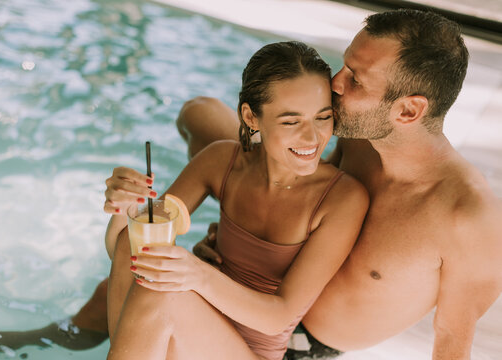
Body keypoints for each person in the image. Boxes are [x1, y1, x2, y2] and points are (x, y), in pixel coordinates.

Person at [173, 9, 502, 360]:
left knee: (153, 298)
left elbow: (452, 340)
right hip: (267, 282)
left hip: (296, 341)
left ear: (408, 111)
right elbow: (306, 198)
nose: (335, 84)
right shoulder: (363, 137)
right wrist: (241, 234)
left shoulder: (469, 219)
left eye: (356, 80)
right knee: (200, 111)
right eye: (343, 66)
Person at [105, 41, 368, 360]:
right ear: (251, 117)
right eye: (290, 121)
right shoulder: (221, 160)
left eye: (323, 118)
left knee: (163, 288)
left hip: (250, 353)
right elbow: (127, 251)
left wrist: (198, 275)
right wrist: (125, 208)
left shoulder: (341, 199)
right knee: (146, 262)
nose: (312, 138)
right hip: (191, 332)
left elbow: (279, 317)